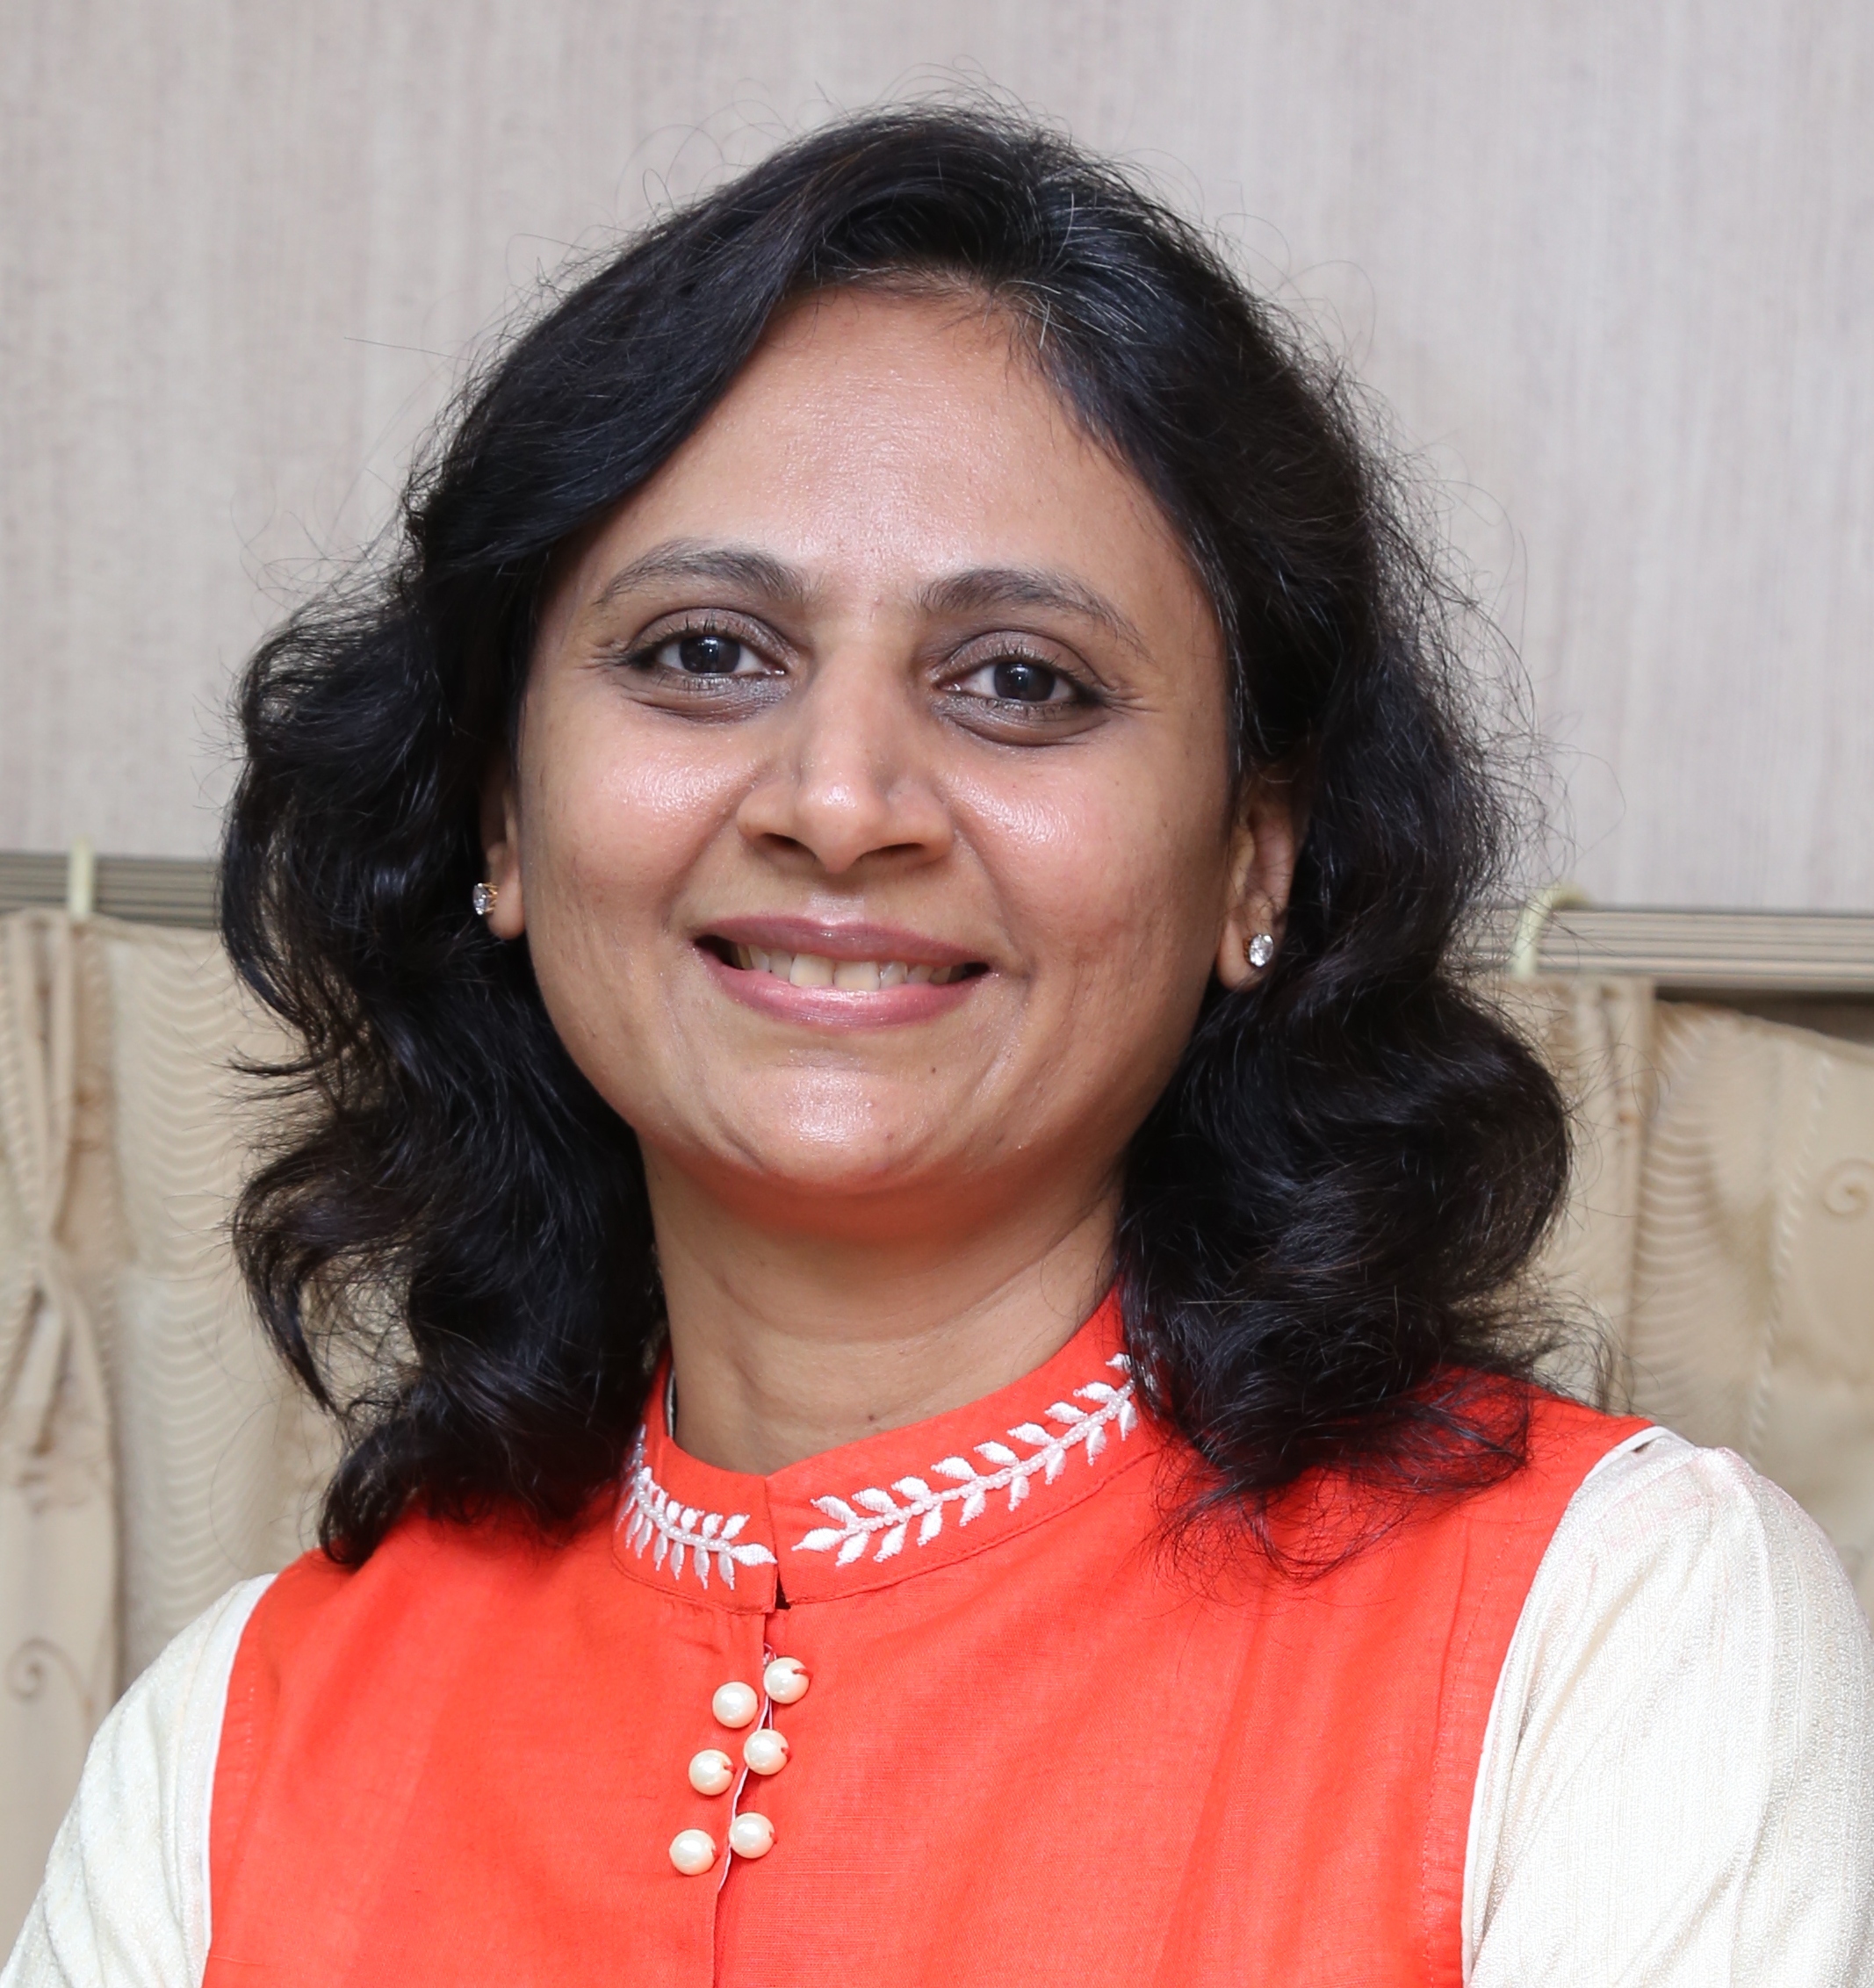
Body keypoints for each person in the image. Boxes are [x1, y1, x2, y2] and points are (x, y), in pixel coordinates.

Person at [7, 106, 1870, 1988]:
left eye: (1019, 683)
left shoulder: (1615, 1628)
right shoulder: (225, 1747)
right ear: (499, 810)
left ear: (1254, 857)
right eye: (705, 651)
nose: (838, 802)